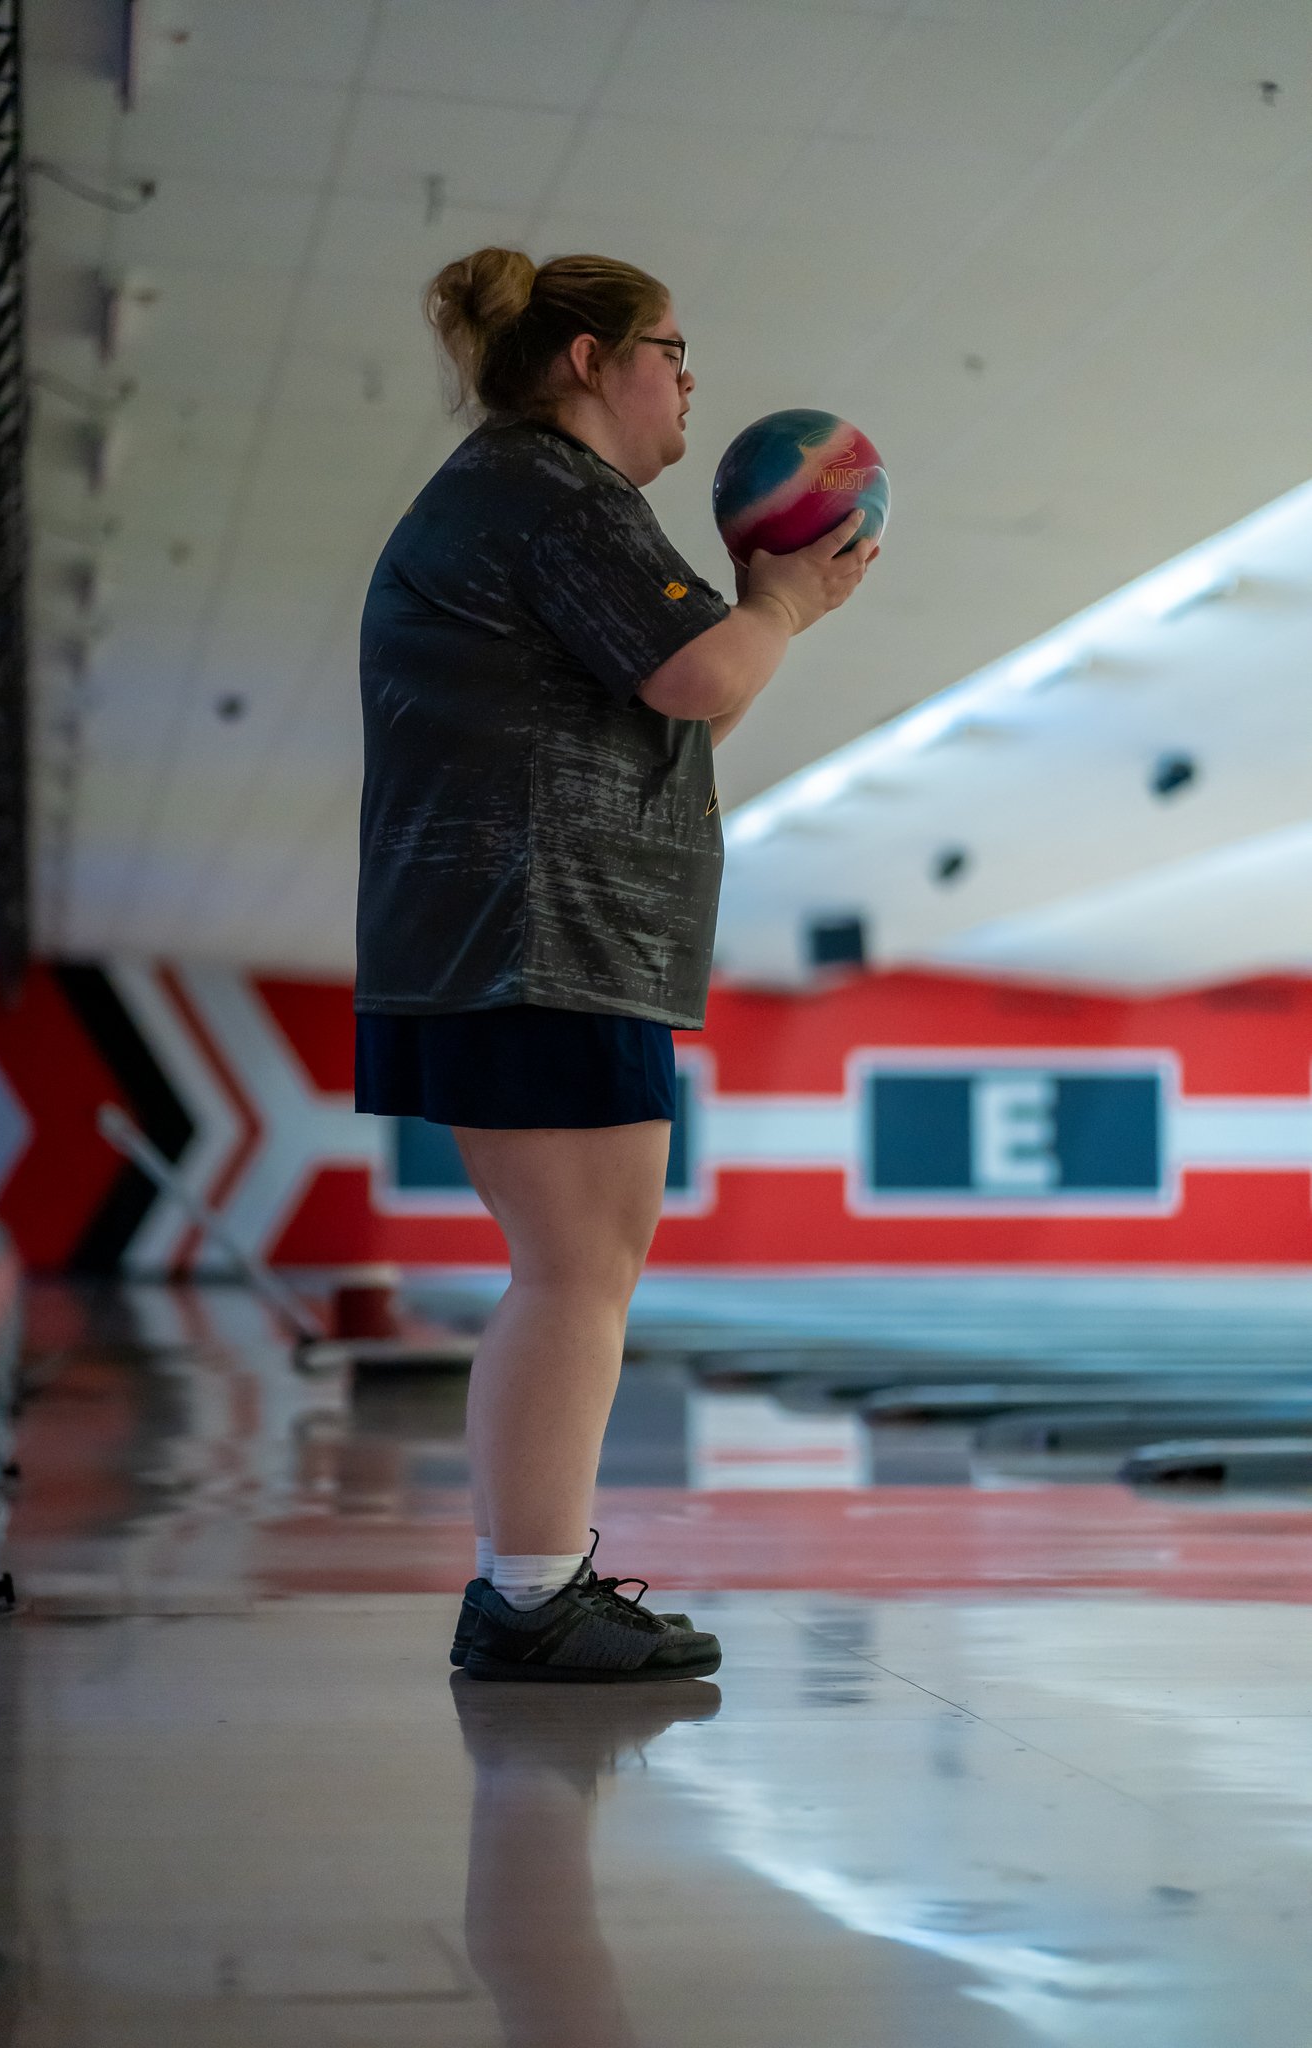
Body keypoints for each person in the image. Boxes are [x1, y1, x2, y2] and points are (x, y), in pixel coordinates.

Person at [354, 247, 878, 1683]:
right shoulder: (548, 490)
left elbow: (674, 722)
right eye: (668, 346)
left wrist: (753, 619)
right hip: (536, 928)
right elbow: (704, 676)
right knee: (577, 1266)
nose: (688, 375)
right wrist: (772, 607)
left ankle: (534, 1583)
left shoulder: (545, 506)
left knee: (579, 1264)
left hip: (538, 926)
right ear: (588, 360)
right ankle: (527, 1596)